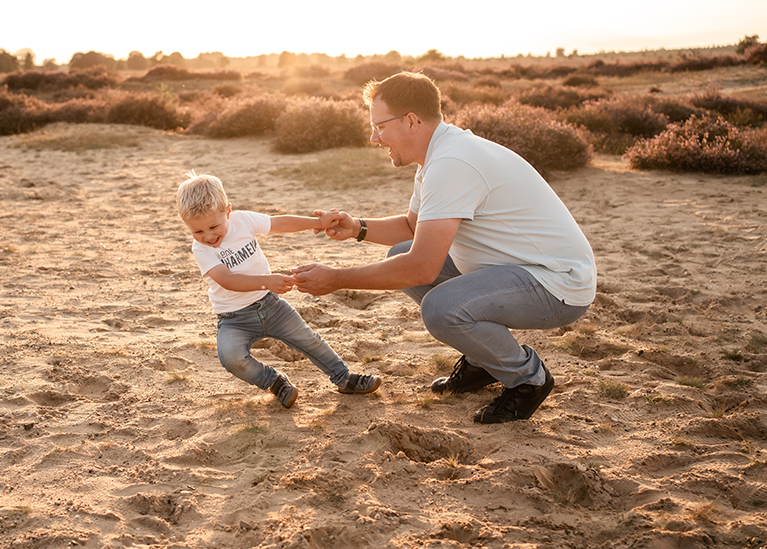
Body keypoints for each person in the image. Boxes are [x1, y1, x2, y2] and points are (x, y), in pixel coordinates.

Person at [292, 71, 596, 424]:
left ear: (411, 121)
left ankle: (529, 378)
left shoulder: (452, 163)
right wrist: (357, 228)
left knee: (441, 308)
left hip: (558, 284)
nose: (374, 137)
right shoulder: (438, 155)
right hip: (517, 268)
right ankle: (484, 363)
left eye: (380, 126)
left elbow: (422, 268)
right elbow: (411, 227)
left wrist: (337, 279)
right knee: (399, 253)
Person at [176, 171, 382, 409]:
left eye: (214, 226)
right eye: (198, 232)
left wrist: (318, 222)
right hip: (234, 319)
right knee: (231, 358)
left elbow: (279, 223)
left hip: (270, 305)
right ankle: (275, 382)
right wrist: (266, 280)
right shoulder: (201, 250)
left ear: (228, 212)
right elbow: (227, 280)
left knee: (309, 340)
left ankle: (344, 378)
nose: (208, 236)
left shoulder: (242, 221)